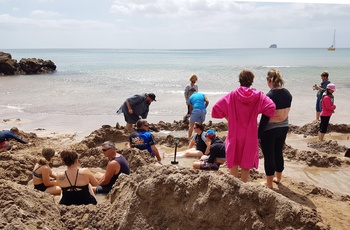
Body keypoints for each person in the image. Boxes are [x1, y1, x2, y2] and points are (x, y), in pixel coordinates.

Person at [211, 70, 276, 182]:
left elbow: (216, 108)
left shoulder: (232, 95)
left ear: (239, 80)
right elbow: (271, 107)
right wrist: (257, 114)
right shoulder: (258, 96)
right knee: (246, 161)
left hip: (235, 133)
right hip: (250, 133)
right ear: (251, 81)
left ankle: (234, 186)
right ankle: (243, 186)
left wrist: (230, 118)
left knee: (234, 160)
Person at [258, 69, 293, 189]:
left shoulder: (269, 96)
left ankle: (269, 184)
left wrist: (258, 134)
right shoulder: (288, 93)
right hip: (284, 127)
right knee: (278, 152)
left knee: (269, 155)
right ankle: (278, 178)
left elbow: (265, 119)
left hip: (270, 130)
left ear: (269, 80)